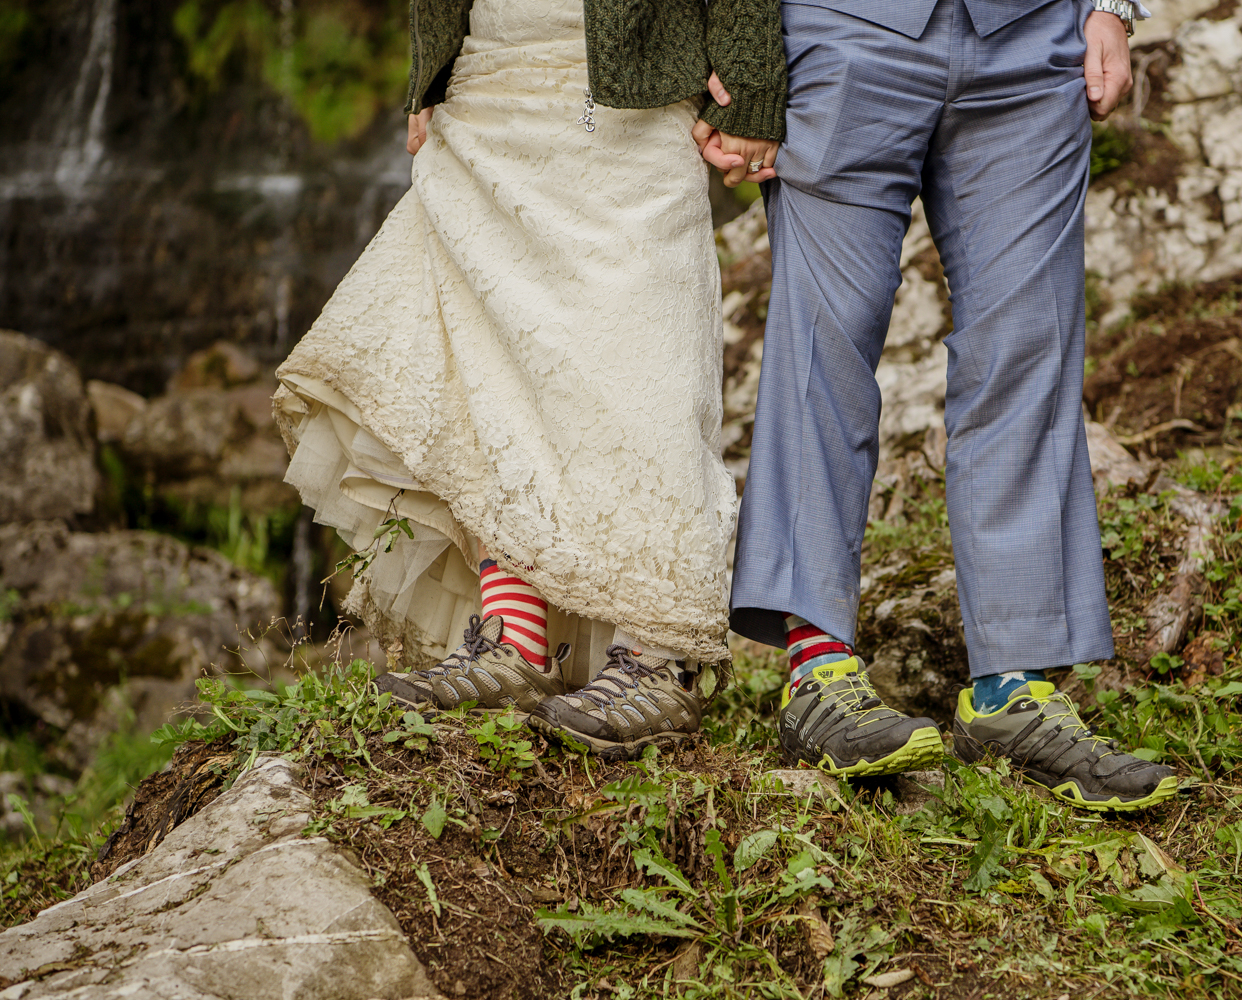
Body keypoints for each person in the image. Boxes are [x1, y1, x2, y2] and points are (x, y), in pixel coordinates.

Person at [272, 0, 785, 761]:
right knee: (487, 359)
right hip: (487, 71)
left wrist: (752, 79)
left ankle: (658, 650)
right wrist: (431, 71)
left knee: (645, 362)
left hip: (634, 79)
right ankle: (514, 640)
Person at [709, 0, 1178, 809]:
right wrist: (748, 71)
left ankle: (1012, 691)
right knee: (823, 342)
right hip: (842, 33)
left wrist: (1110, 7)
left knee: (1028, 346)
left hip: (1032, 41)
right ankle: (817, 672)